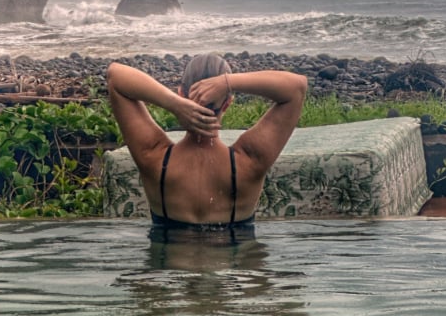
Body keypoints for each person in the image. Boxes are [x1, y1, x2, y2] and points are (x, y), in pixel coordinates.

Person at [107, 54, 308, 229]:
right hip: (237, 268)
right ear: (228, 103)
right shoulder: (249, 161)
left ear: (181, 93)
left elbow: (116, 75)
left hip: (169, 269)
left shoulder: (154, 157)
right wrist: (228, 83)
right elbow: (296, 88)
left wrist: (174, 104)